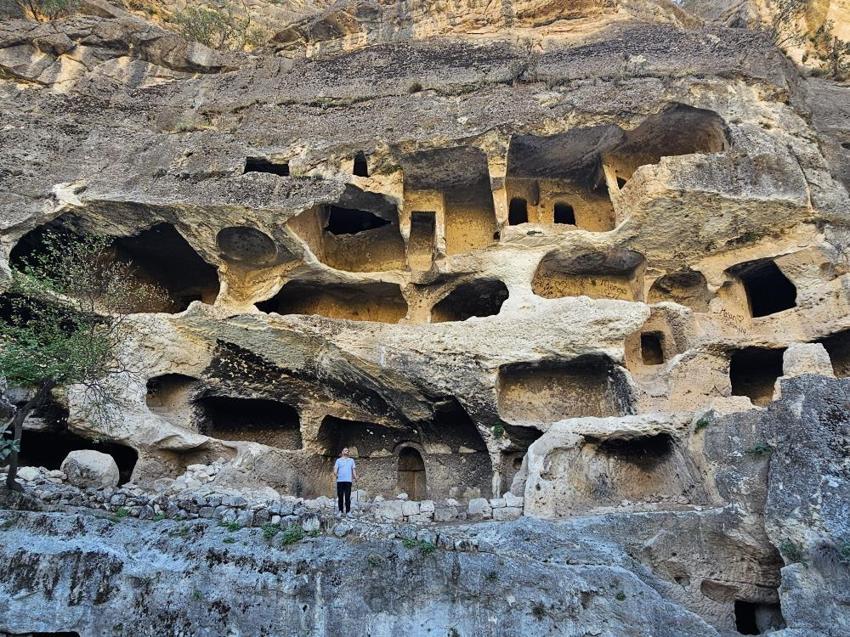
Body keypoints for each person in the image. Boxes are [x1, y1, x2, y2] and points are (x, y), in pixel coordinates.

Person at [333, 447, 357, 516]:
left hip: (348, 481)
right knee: (340, 496)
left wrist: (355, 477)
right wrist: (336, 474)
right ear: (342, 452)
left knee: (347, 497)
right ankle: (340, 511)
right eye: (345, 450)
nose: (347, 451)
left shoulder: (351, 460)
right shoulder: (338, 460)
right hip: (340, 480)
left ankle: (348, 512)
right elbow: (335, 469)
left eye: (348, 451)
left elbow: (353, 470)